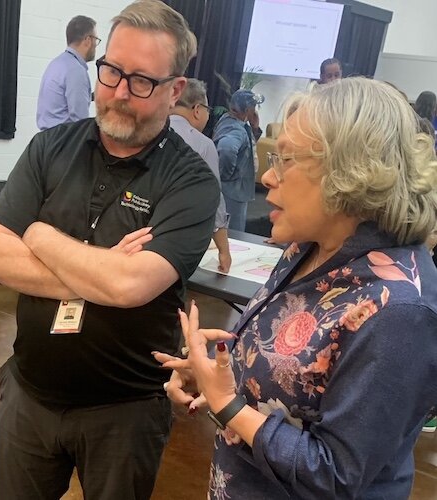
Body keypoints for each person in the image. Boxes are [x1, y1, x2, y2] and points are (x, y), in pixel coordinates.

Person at [0, 1, 218, 498]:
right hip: (29, 394)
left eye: (141, 81)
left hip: (124, 412)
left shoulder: (191, 182)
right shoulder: (50, 148)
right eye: (110, 72)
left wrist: (38, 236)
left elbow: (131, 285)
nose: (118, 93)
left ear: (175, 91)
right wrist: (101, 270)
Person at [156, 77, 437, 499]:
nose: (269, 176)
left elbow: (336, 476)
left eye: (287, 160)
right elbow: (293, 377)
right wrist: (216, 373)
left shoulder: (400, 310)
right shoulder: (306, 248)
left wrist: (227, 404)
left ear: (350, 171)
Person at [170, 78, 232, 272]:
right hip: (178, 242)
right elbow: (214, 200)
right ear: (197, 109)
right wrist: (224, 249)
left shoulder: (147, 133)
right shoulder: (203, 145)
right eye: (208, 110)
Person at [36, 15, 99, 130]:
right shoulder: (76, 70)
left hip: (49, 139)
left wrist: (92, 96)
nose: (96, 45)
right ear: (88, 40)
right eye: (96, 40)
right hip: (64, 142)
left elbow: (62, 103)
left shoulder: (57, 64)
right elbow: (80, 120)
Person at [213, 89, 260, 232]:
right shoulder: (235, 129)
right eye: (254, 107)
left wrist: (255, 127)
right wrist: (227, 174)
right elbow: (227, 149)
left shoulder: (231, 121)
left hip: (234, 191)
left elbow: (247, 146)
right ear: (246, 109)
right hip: (233, 192)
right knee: (233, 233)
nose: (256, 110)